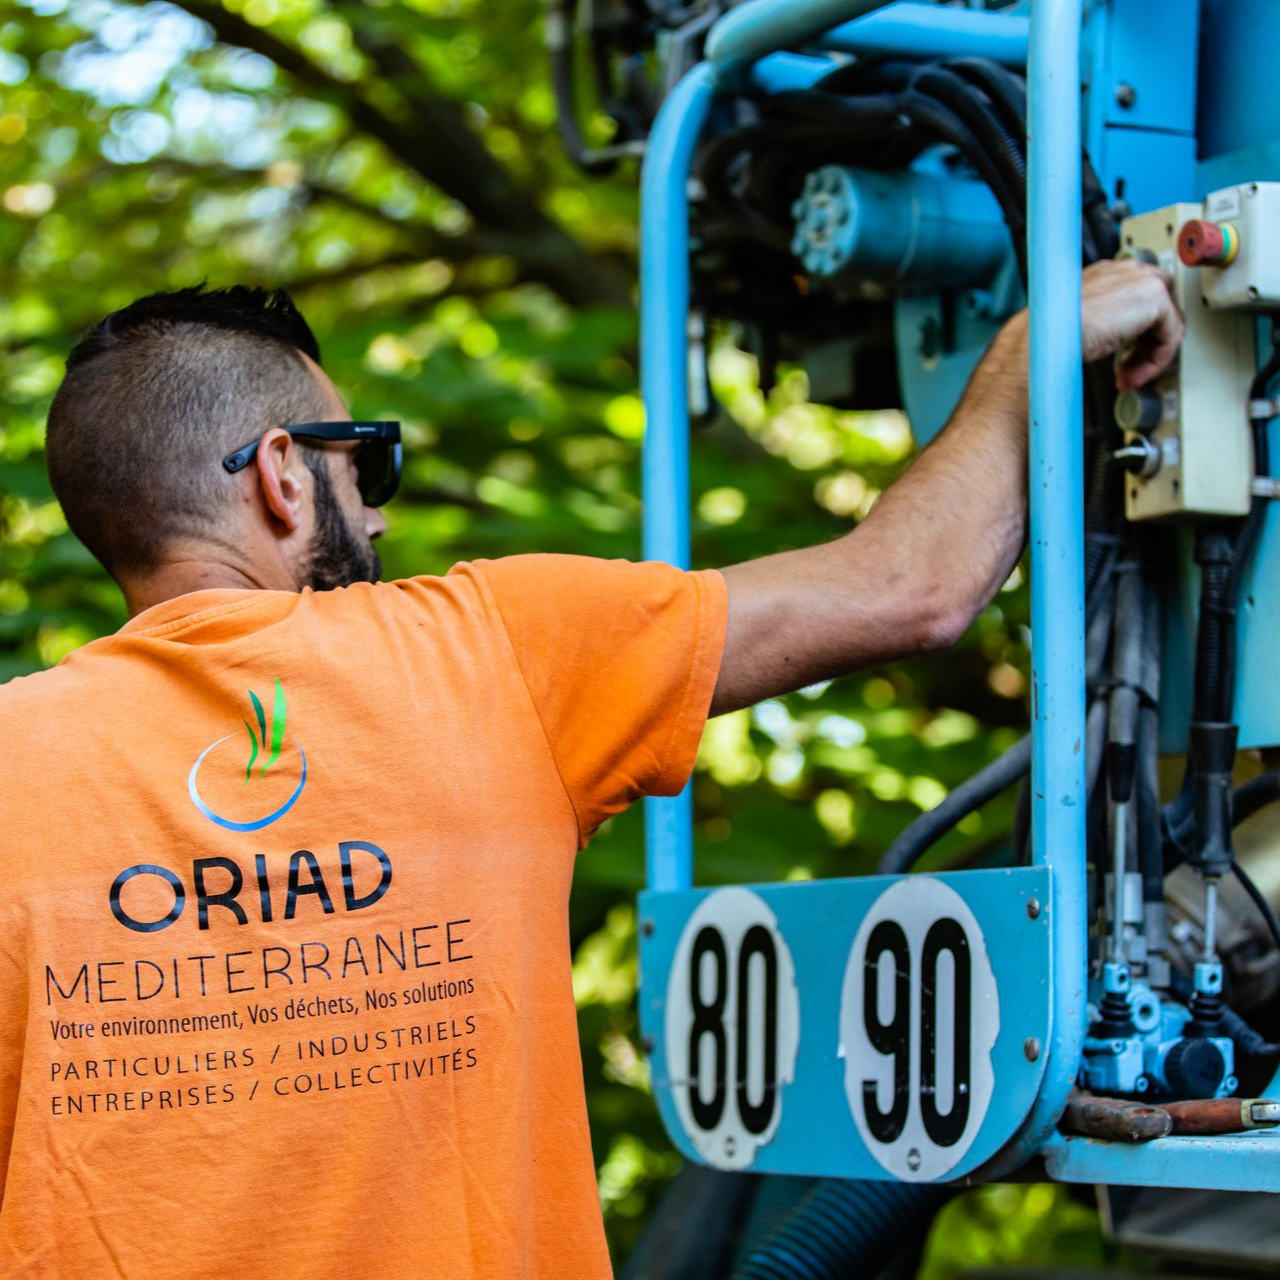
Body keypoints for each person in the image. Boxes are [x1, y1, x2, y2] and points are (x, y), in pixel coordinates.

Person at [0, 259, 1180, 1279]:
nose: (379, 513)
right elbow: (911, 585)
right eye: (365, 465)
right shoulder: (483, 649)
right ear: (281, 474)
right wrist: (1029, 353)